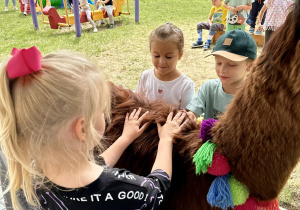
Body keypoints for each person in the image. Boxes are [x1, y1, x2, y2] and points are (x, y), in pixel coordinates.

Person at [0, 46, 188, 210]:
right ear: (82, 128)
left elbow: (93, 170)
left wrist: (124, 140)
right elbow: (157, 188)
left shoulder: (33, 181)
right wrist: (166, 139)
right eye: (102, 109)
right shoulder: (121, 189)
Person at [186, 29, 257, 120]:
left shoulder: (255, 98)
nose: (222, 70)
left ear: (250, 66)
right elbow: (192, 112)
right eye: (219, 63)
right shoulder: (209, 88)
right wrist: (190, 116)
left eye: (231, 65)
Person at [136, 23, 195, 109]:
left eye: (168, 57)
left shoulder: (185, 85)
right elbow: (136, 103)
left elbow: (186, 116)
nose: (162, 61)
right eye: (156, 56)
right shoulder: (145, 76)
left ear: (180, 55)